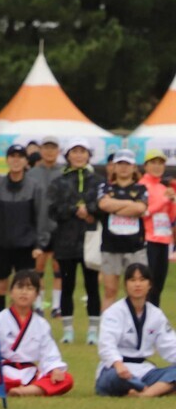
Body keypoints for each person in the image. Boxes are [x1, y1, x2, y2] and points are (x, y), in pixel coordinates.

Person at [39, 139, 103, 344]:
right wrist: (76, 210)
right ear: (67, 155)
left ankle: (93, 331)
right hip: (65, 241)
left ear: (88, 155)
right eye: (74, 151)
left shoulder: (97, 180)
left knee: (92, 286)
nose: (78, 155)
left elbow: (102, 205)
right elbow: (52, 209)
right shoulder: (58, 181)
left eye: (82, 151)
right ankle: (68, 330)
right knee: (67, 286)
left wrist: (91, 210)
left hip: (90, 240)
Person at [0, 270, 74, 396]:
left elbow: (50, 354)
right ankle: (31, 389)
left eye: (29, 288)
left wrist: (55, 369)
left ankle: (23, 390)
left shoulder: (41, 324)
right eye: (19, 287)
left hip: (30, 373)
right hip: (2, 371)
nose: (24, 292)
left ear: (36, 295)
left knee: (66, 378)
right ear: (11, 292)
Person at [94, 263, 176, 397]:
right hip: (117, 370)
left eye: (142, 280)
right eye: (132, 280)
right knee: (116, 377)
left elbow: (170, 345)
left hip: (145, 370)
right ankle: (158, 389)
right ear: (126, 285)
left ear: (149, 285)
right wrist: (118, 364)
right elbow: (106, 345)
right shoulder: (113, 312)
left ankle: (144, 394)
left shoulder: (156, 314)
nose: (137, 284)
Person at [0, 144, 43, 315]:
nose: (16, 160)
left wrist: (39, 244)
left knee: (26, 286)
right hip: (1, 243)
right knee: (0, 286)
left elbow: (40, 217)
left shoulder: (34, 186)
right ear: (7, 160)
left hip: (26, 245)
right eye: (13, 156)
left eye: (20, 157)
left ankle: (26, 323)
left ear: (26, 161)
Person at [98, 149, 150, 311]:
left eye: (127, 164)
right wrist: (129, 205)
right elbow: (103, 205)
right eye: (120, 164)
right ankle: (108, 333)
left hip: (135, 247)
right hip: (111, 246)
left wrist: (116, 207)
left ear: (134, 167)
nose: (123, 168)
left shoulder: (141, 189)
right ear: (113, 167)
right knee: (110, 291)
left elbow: (140, 208)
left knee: (137, 292)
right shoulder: (105, 187)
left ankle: (136, 330)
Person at [26, 136, 62, 314]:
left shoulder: (63, 172)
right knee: (38, 268)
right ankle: (38, 304)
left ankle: (56, 305)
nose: (49, 151)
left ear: (58, 151)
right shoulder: (32, 174)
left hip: (59, 228)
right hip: (37, 226)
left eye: (53, 148)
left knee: (58, 268)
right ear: (40, 150)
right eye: (46, 147)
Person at [140, 150, 174, 305]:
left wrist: (173, 201)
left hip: (164, 240)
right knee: (147, 285)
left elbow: (171, 217)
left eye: (160, 163)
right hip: (148, 239)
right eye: (153, 162)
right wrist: (165, 201)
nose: (157, 166)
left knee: (158, 285)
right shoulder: (141, 186)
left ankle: (153, 322)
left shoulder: (163, 188)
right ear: (146, 166)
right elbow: (144, 212)